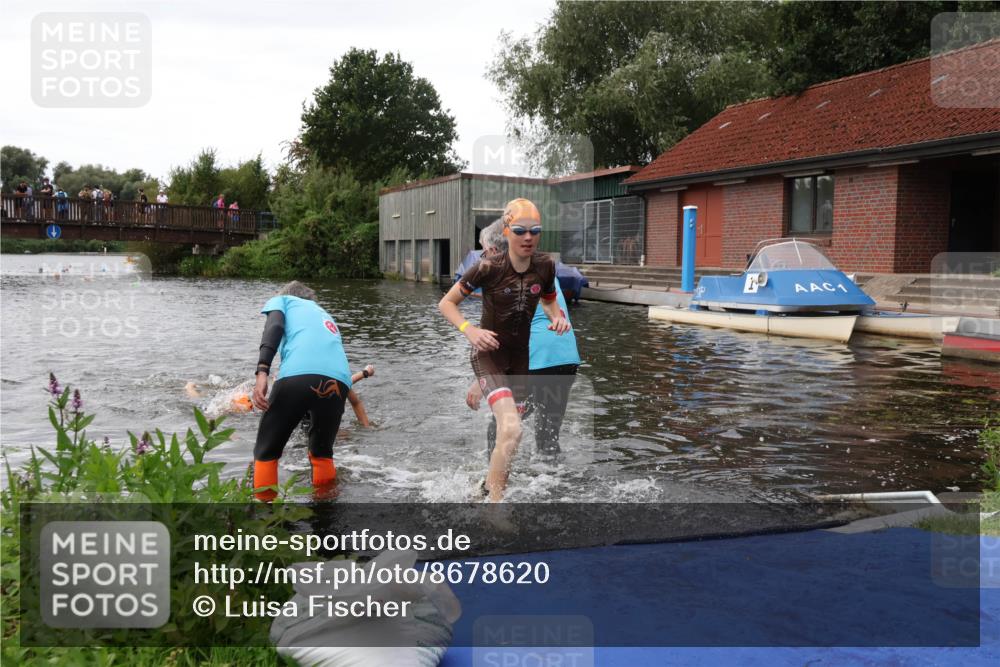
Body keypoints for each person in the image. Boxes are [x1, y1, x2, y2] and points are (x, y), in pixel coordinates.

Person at [439, 198, 570, 502]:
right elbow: (446, 303)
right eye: (521, 230)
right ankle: (494, 509)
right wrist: (469, 330)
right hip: (489, 356)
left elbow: (549, 299)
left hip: (521, 362)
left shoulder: (545, 266)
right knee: (512, 429)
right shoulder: (487, 267)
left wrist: (557, 318)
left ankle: (488, 489)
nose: (528, 237)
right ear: (508, 231)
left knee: (511, 435)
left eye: (535, 231)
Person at [465, 220, 581, 459]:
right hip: (565, 356)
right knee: (547, 437)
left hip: (536, 359)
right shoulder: (540, 267)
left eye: (484, 252)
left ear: (496, 251)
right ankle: (551, 487)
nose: (483, 258)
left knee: (500, 429)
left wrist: (482, 379)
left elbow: (504, 334)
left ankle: (491, 488)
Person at [251, 281, 355, 501]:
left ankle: (265, 517)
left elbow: (275, 328)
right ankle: (324, 516)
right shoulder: (323, 313)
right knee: (322, 454)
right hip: (340, 380)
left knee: (267, 451)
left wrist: (262, 371)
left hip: (299, 374)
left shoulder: (284, 301)